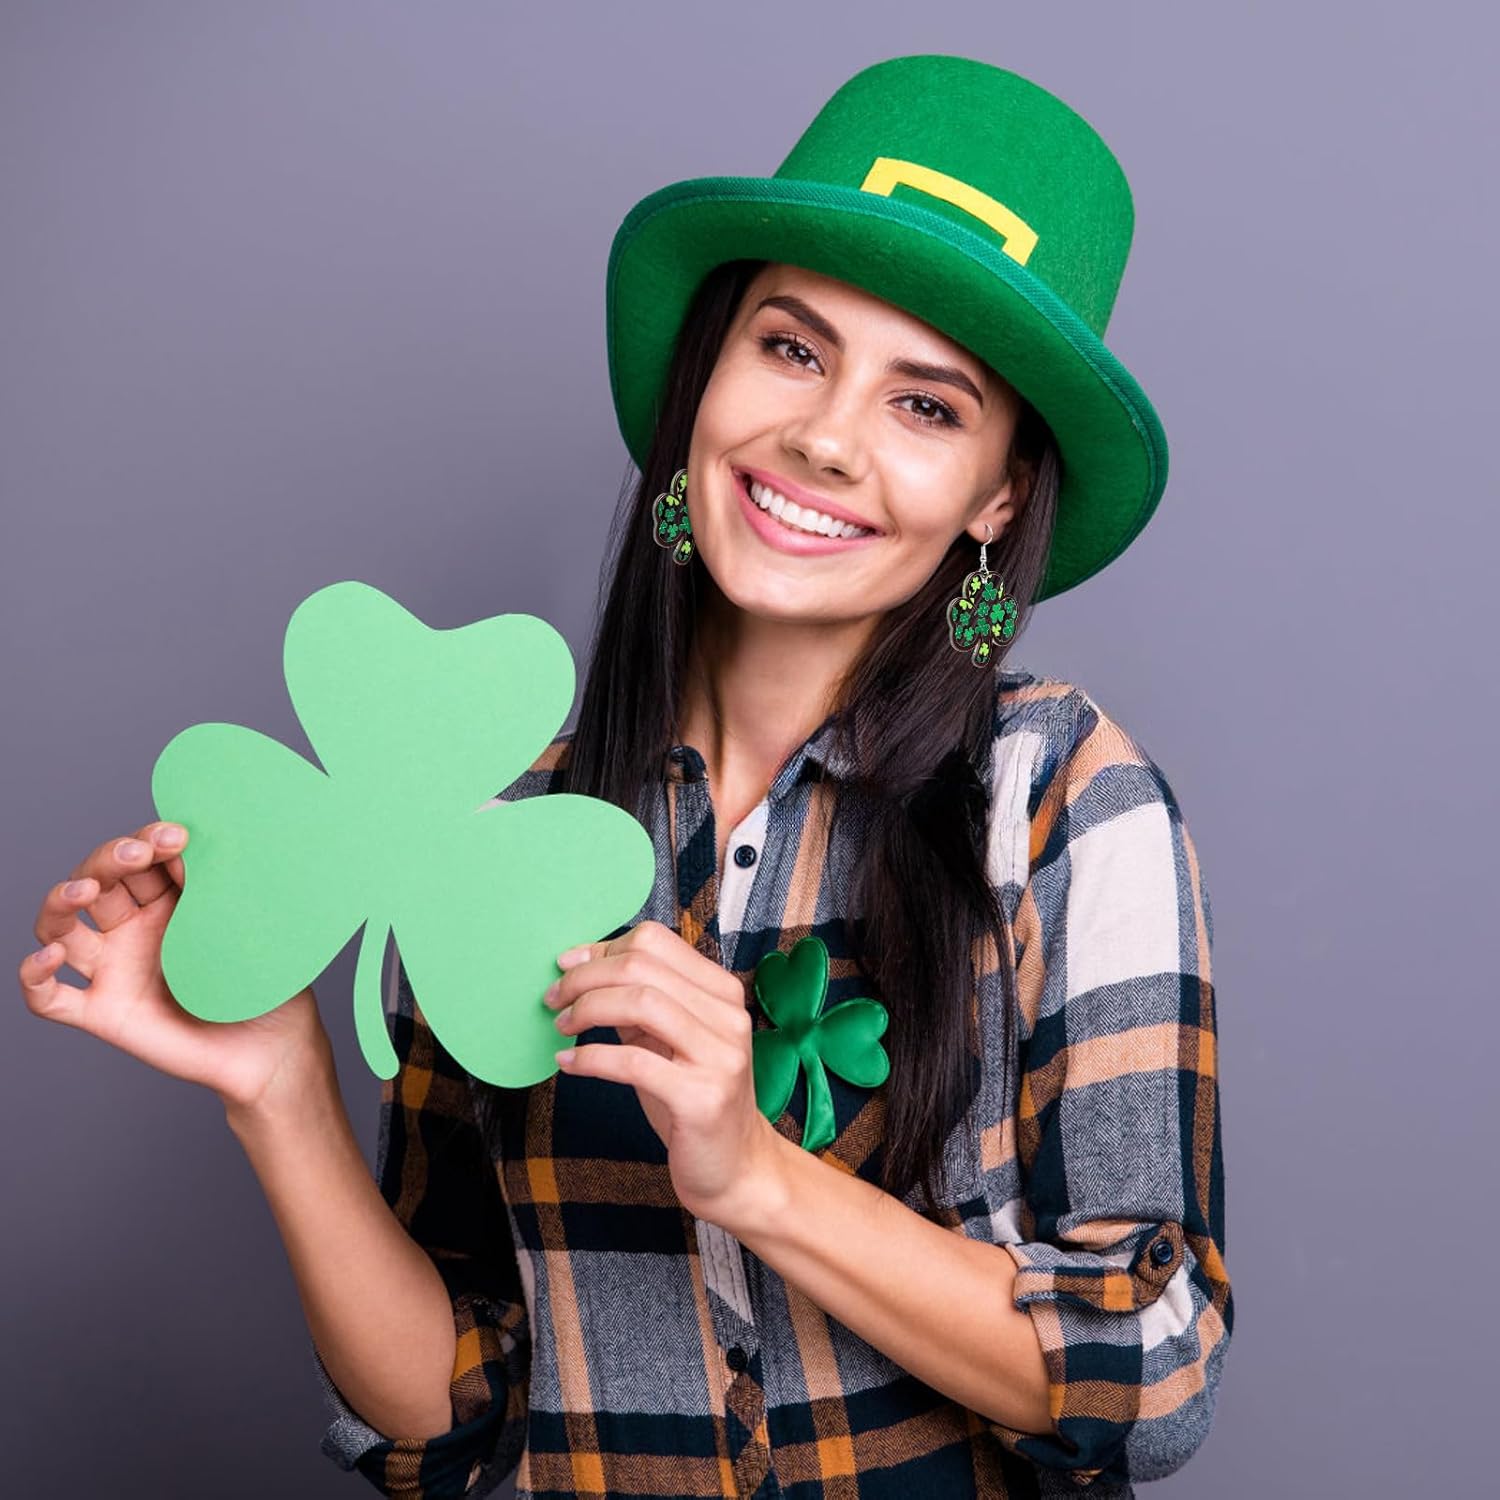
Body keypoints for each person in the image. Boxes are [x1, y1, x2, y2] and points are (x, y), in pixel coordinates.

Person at [19, 54, 1231, 1498]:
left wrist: (755, 1178)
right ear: (699, 374)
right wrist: (275, 1090)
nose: (826, 438)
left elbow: (1151, 1366)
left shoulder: (1059, 796)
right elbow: (456, 1413)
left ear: (1001, 495)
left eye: (928, 407)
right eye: (791, 348)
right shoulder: (497, 817)